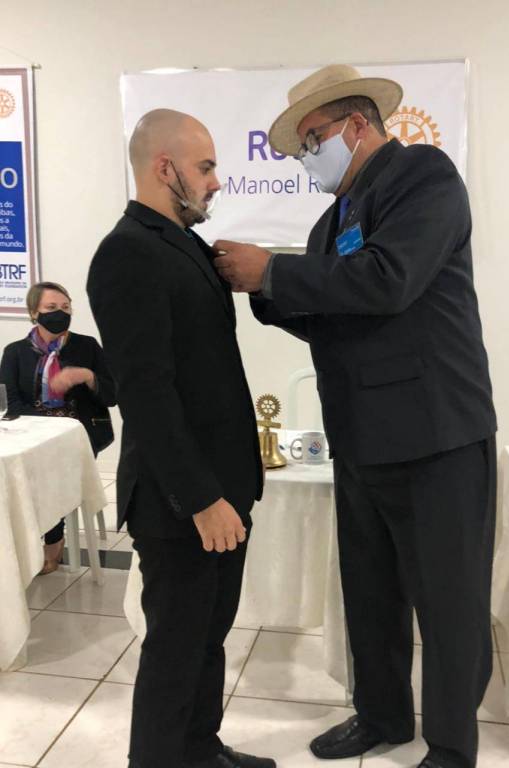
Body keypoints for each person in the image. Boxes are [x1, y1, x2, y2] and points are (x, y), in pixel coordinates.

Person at [213, 65, 497, 768]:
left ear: (358, 125)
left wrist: (271, 271)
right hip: (362, 436)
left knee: (448, 601)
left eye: (314, 140)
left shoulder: (423, 178)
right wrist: (260, 293)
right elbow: (334, 314)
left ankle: (452, 746)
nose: (308, 156)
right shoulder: (331, 219)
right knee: (370, 594)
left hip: (436, 435)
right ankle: (382, 714)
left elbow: (387, 280)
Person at [87, 109, 272, 768]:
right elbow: (146, 394)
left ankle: (199, 749)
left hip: (224, 489)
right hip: (181, 502)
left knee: (208, 638)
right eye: (206, 167)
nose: (217, 181)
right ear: (164, 168)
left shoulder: (185, 244)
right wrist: (199, 498)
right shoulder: (126, 253)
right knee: (175, 650)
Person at [0, 281, 115, 573]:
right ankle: (21, 542)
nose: (60, 313)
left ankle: (53, 540)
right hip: (34, 434)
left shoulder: (87, 346)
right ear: (33, 312)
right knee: (21, 478)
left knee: (51, 475)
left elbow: (112, 396)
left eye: (66, 307)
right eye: (51, 307)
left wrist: (87, 377)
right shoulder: (15, 352)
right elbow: (10, 403)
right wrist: (45, 425)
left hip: (79, 434)